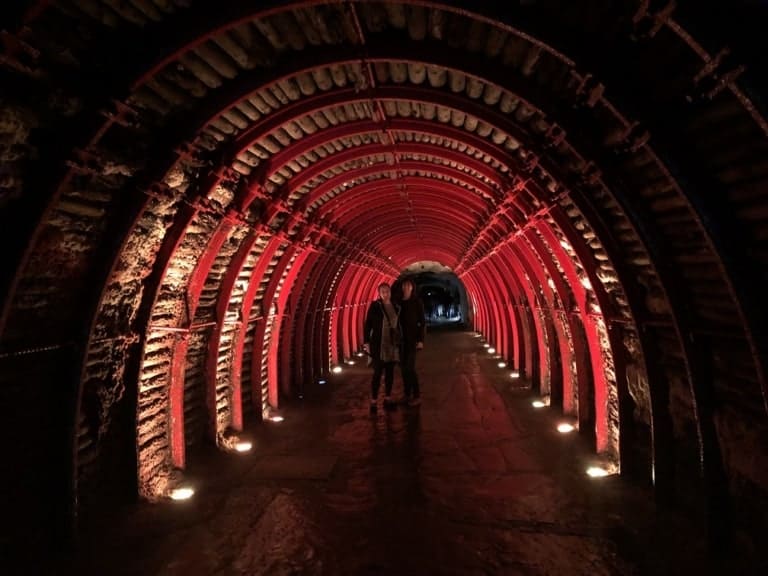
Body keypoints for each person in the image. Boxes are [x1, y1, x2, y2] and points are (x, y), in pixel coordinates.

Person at [363, 283, 400, 413]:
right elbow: (368, 324)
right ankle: (373, 401)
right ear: (379, 293)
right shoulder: (375, 306)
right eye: (383, 292)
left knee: (390, 373)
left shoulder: (396, 306)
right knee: (377, 373)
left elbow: (398, 325)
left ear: (390, 292)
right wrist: (366, 342)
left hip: (392, 345)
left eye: (387, 291)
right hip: (378, 345)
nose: (385, 294)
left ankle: (387, 398)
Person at [398, 278, 425, 406]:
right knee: (403, 369)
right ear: (402, 287)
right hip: (400, 341)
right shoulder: (398, 302)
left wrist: (421, 340)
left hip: (412, 340)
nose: (406, 287)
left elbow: (422, 322)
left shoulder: (416, 302)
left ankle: (417, 395)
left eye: (408, 285)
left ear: (412, 287)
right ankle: (407, 394)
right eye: (404, 285)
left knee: (410, 368)